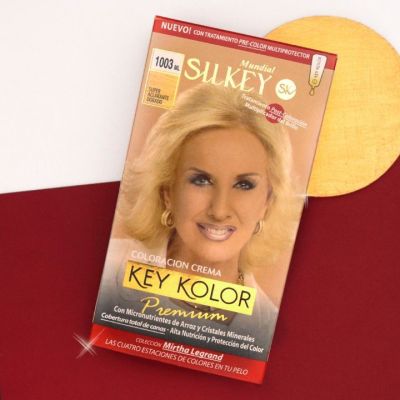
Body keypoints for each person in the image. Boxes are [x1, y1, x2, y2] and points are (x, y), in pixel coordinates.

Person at [95, 84, 300, 359]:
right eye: (201, 180)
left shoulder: (266, 330)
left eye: (244, 185)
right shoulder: (108, 273)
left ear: (268, 202)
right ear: (167, 192)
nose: (219, 210)